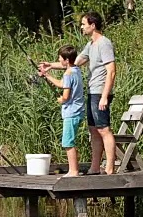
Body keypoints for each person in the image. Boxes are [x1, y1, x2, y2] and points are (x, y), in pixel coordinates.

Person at [39, 12, 116, 175]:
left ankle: (110, 168)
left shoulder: (104, 43)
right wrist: (50, 66)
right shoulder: (91, 45)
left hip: (100, 92)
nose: (81, 27)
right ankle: (95, 167)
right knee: (93, 129)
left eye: (83, 24)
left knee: (104, 129)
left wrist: (104, 96)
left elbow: (111, 71)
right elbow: (74, 63)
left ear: (92, 25)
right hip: (92, 91)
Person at [39, 45, 84, 177]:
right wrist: (47, 74)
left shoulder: (68, 74)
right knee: (70, 141)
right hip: (77, 111)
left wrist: (61, 100)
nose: (58, 60)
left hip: (71, 112)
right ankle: (74, 169)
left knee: (68, 142)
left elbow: (66, 95)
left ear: (66, 60)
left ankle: (73, 171)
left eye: (60, 58)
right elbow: (61, 83)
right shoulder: (76, 70)